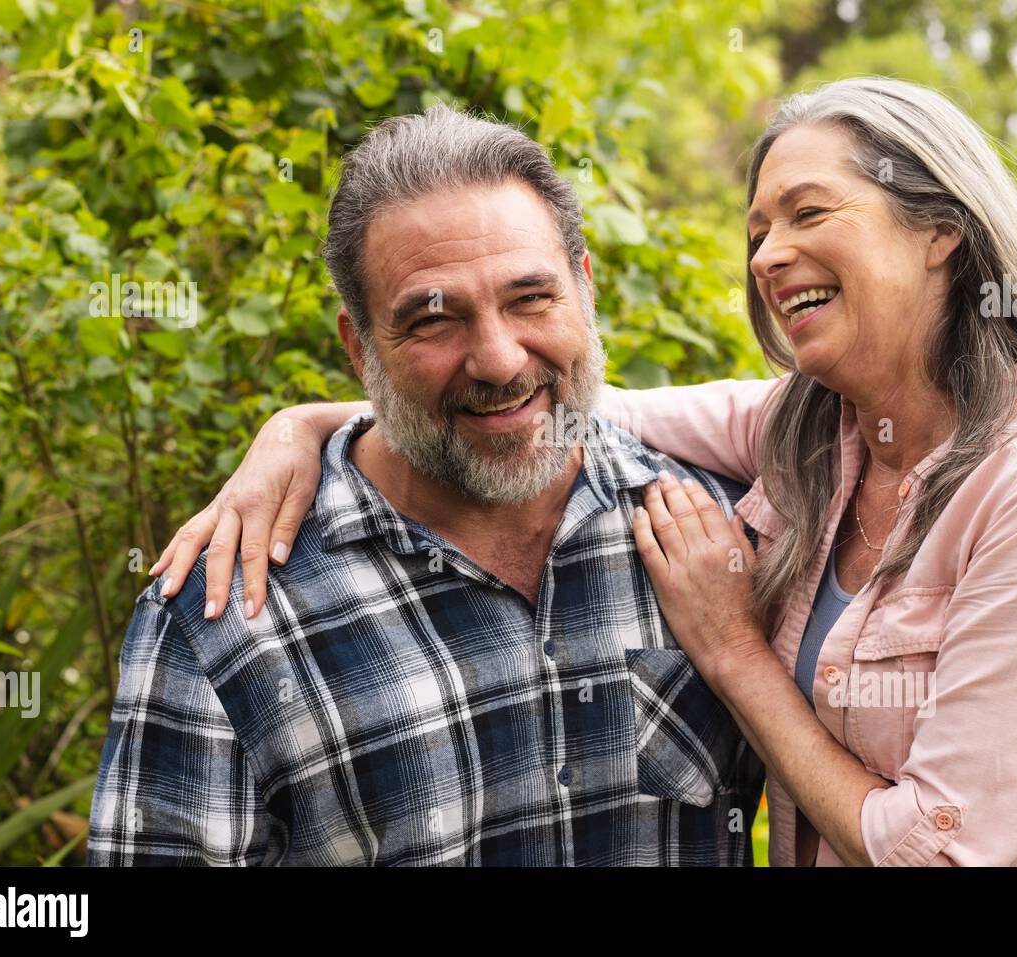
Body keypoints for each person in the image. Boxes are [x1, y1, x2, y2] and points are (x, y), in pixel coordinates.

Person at [152, 80, 1017, 867]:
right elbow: (548, 408)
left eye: (810, 214)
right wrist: (304, 427)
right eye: (758, 229)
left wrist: (732, 647)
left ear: (942, 231)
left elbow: (945, 850)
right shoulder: (817, 435)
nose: (770, 254)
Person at [87, 106, 764, 866]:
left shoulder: (727, 527)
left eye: (529, 298)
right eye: (434, 321)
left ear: (586, 290)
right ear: (359, 347)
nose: (500, 360)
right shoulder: (226, 615)